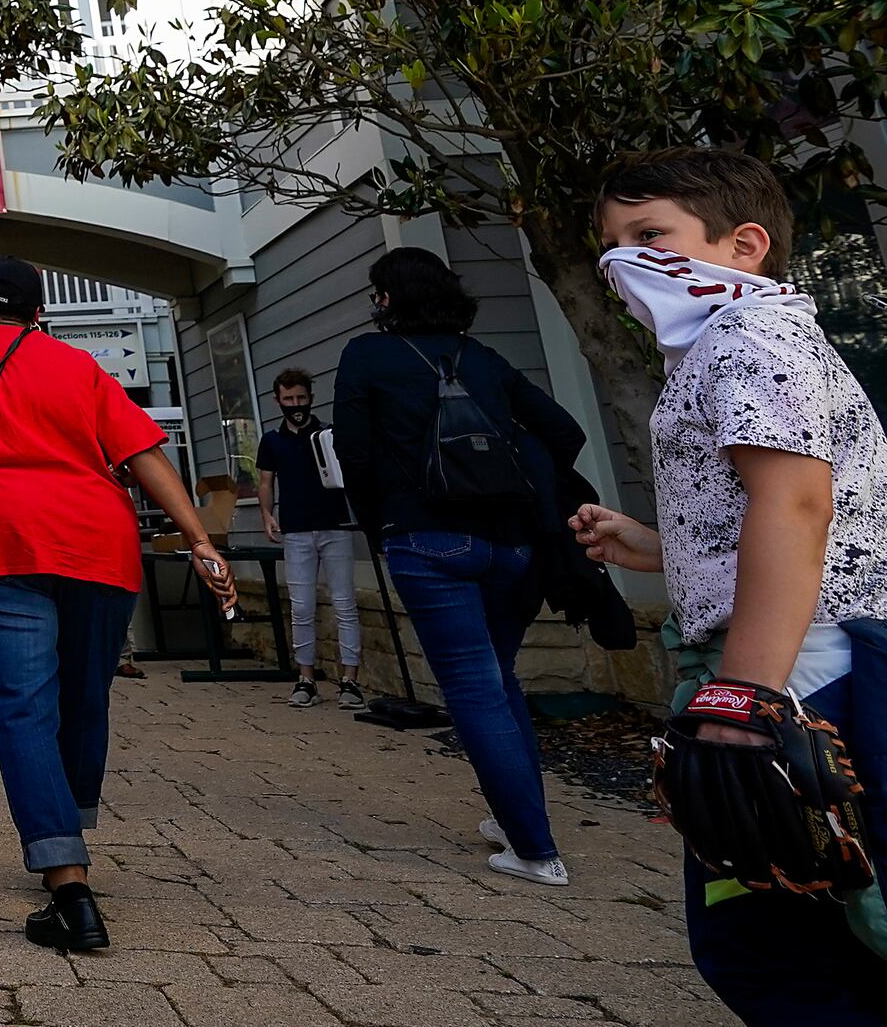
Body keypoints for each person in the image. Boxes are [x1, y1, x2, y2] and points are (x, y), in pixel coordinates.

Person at [575, 150, 887, 1024]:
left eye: (649, 237)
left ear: (743, 245)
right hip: (787, 663)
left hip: (799, 677)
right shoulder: (731, 343)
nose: (620, 262)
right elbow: (766, 514)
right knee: (780, 935)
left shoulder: (752, 338)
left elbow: (793, 504)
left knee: (774, 951)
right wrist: (655, 544)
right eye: (610, 244)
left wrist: (742, 698)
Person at [0, 257, 233, 952]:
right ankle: (65, 827)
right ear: (37, 312)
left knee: (20, 710)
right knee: (84, 698)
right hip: (98, 546)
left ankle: (66, 881)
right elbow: (142, 453)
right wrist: (200, 541)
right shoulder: (77, 367)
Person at [333, 245, 589, 890]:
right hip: (514, 544)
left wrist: (382, 523)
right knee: (499, 682)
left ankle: (535, 850)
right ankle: (515, 822)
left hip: (427, 540)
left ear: (386, 299)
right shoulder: (484, 359)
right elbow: (564, 433)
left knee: (474, 690)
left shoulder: (367, 357)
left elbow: (354, 455)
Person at [256, 367, 364, 710]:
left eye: (300, 398)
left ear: (310, 398)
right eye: (288, 399)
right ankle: (306, 678)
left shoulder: (329, 434)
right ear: (278, 401)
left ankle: (350, 681)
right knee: (301, 607)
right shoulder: (272, 440)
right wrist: (266, 514)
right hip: (296, 529)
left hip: (335, 526)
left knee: (344, 603)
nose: (295, 404)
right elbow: (265, 481)